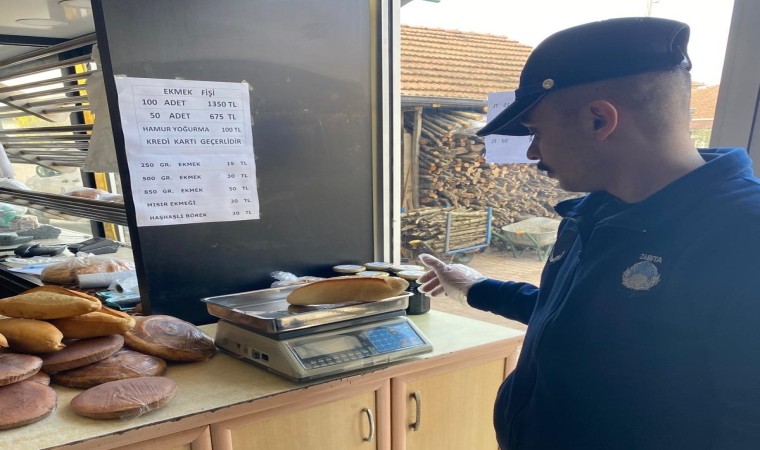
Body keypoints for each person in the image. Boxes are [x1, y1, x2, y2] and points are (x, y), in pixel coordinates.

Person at [418, 17, 760, 450]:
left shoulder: (744, 236)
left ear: (599, 120)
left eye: (535, 132)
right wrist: (476, 287)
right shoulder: (592, 212)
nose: (532, 153)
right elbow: (580, 320)